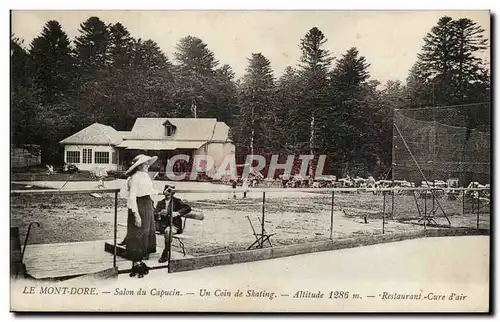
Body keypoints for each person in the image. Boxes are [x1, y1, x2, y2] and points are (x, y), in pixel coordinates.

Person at [122, 154, 161, 278]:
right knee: (137, 232)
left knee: (146, 232)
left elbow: (149, 190)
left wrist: (161, 192)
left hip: (147, 204)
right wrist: (136, 215)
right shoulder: (134, 178)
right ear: (138, 166)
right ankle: (136, 263)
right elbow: (132, 197)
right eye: (145, 164)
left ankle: (140, 261)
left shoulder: (145, 176)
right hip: (138, 206)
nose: (147, 165)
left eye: (148, 163)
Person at [154, 184, 192, 263]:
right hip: (162, 225)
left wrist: (177, 213)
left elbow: (188, 208)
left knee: (168, 231)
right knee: (147, 227)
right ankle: (144, 251)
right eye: (166, 192)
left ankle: (165, 253)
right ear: (164, 192)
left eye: (170, 192)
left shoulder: (177, 201)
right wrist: (159, 214)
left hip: (174, 225)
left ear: (173, 193)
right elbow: (155, 213)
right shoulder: (160, 202)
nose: (167, 194)